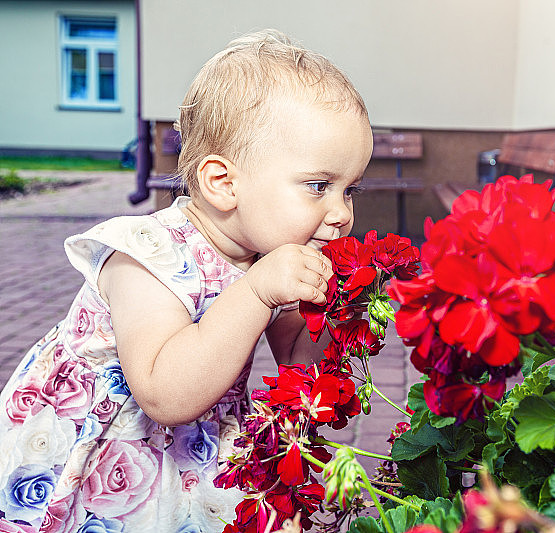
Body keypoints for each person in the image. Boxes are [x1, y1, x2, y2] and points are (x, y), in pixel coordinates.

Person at [0, 29, 373, 531]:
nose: (340, 214)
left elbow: (299, 361)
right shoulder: (147, 256)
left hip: (186, 456)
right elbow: (165, 395)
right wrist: (259, 290)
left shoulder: (266, 256)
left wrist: (340, 312)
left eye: (349, 190)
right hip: (102, 452)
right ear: (223, 183)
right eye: (319, 186)